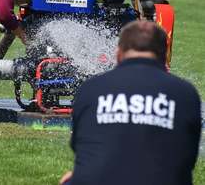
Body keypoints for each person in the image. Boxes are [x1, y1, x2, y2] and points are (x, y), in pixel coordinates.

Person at [60, 20, 202, 185]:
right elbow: (187, 159)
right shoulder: (185, 93)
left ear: (119, 53)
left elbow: (79, 147)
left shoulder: (91, 88)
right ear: (164, 55)